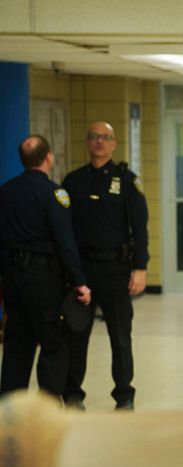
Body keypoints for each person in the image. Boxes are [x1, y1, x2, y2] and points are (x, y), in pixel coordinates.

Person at [61, 122, 149, 411]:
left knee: (120, 335)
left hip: (116, 269)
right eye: (94, 137)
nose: (99, 142)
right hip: (82, 270)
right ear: (87, 142)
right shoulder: (73, 182)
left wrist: (140, 268)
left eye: (105, 137)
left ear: (114, 144)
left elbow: (140, 227)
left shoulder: (127, 181)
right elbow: (63, 230)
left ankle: (124, 394)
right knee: (76, 334)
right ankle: (73, 394)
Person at [0, 135, 91, 399]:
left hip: (13, 280)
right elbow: (65, 241)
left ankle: (9, 411)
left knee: (17, 345)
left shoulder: (5, 192)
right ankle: (48, 408)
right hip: (43, 281)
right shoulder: (54, 193)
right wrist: (79, 282)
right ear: (49, 156)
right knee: (53, 344)